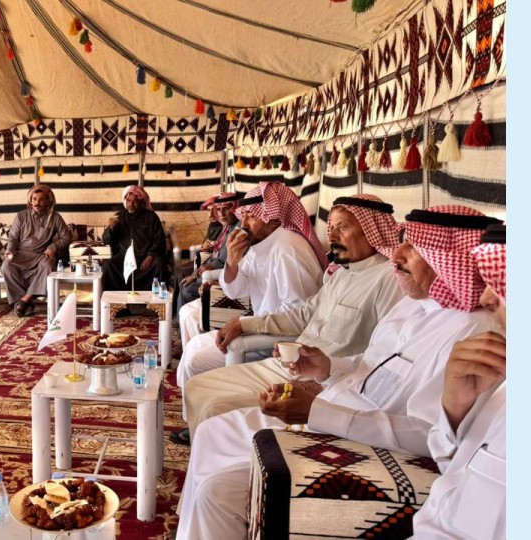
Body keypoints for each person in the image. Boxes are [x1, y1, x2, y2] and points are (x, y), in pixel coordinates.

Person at [174, 205, 504, 540]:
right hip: (333, 403)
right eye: (401, 242)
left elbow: (433, 435)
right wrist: (327, 367)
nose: (396, 255)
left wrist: (319, 412)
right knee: (212, 431)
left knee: (218, 492)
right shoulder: (412, 304)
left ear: (450, 260)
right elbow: (371, 363)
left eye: (414, 247)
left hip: (359, 438)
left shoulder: (474, 333)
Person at [170, 195, 403, 446]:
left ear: (372, 230)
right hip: (294, 363)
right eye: (331, 228)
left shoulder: (388, 279)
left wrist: (331, 381)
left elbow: (385, 360)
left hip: (325, 379)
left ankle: (226, 456)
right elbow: (303, 314)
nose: (333, 236)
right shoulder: (342, 273)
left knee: (215, 404)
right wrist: (244, 323)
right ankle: (203, 445)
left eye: (343, 227)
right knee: (197, 387)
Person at [413, 223, 506, 539]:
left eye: (502, 283)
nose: (486, 297)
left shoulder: (478, 330)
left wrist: (320, 411)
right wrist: (455, 406)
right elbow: (454, 467)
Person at [179, 182, 326, 367]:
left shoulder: (288, 249)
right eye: (244, 216)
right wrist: (231, 262)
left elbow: (298, 315)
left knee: (194, 362)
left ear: (274, 219)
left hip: (277, 343)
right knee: (193, 346)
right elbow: (235, 291)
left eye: (252, 216)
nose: (244, 225)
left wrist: (246, 325)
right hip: (259, 328)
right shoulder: (261, 245)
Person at [176, 192, 242, 339]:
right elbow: (215, 256)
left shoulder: (238, 229)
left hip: (224, 277)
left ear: (236, 208)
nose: (221, 213)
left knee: (187, 289)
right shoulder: (227, 227)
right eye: (219, 209)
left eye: (226, 208)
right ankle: (181, 326)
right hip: (215, 271)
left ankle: (185, 334)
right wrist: (195, 274)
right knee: (184, 282)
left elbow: (223, 262)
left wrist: (197, 274)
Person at [2, 184, 73, 317]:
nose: (37, 202)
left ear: (47, 201)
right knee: (6, 266)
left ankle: (24, 300)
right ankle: (25, 303)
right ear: (30, 201)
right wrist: (10, 251)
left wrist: (53, 247)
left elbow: (67, 237)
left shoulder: (55, 217)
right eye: (34, 199)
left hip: (41, 255)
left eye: (41, 199)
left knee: (48, 266)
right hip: (22, 254)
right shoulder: (21, 216)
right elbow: (13, 238)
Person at [101, 185, 167, 291]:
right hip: (124, 258)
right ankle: (116, 299)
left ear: (141, 202)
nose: (131, 204)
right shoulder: (119, 217)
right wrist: (111, 229)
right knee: (108, 266)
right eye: (129, 200)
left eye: (135, 201)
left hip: (145, 258)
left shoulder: (151, 217)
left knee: (160, 264)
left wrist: (150, 256)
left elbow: (160, 240)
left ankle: (156, 298)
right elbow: (106, 240)